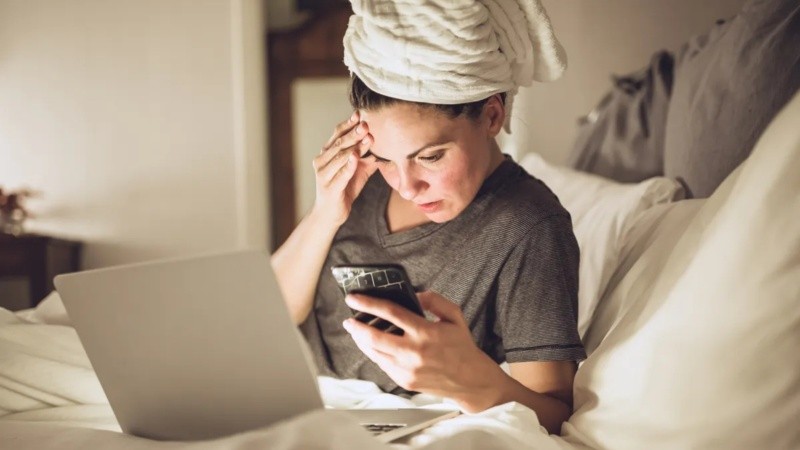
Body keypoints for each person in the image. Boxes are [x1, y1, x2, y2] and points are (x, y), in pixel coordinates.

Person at [271, 0, 585, 435]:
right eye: (384, 158)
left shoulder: (528, 226)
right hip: (286, 393)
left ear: (492, 115)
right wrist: (326, 213)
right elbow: (272, 315)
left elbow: (553, 411)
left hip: (378, 421)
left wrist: (467, 377)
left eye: (431, 157)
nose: (406, 184)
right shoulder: (360, 186)